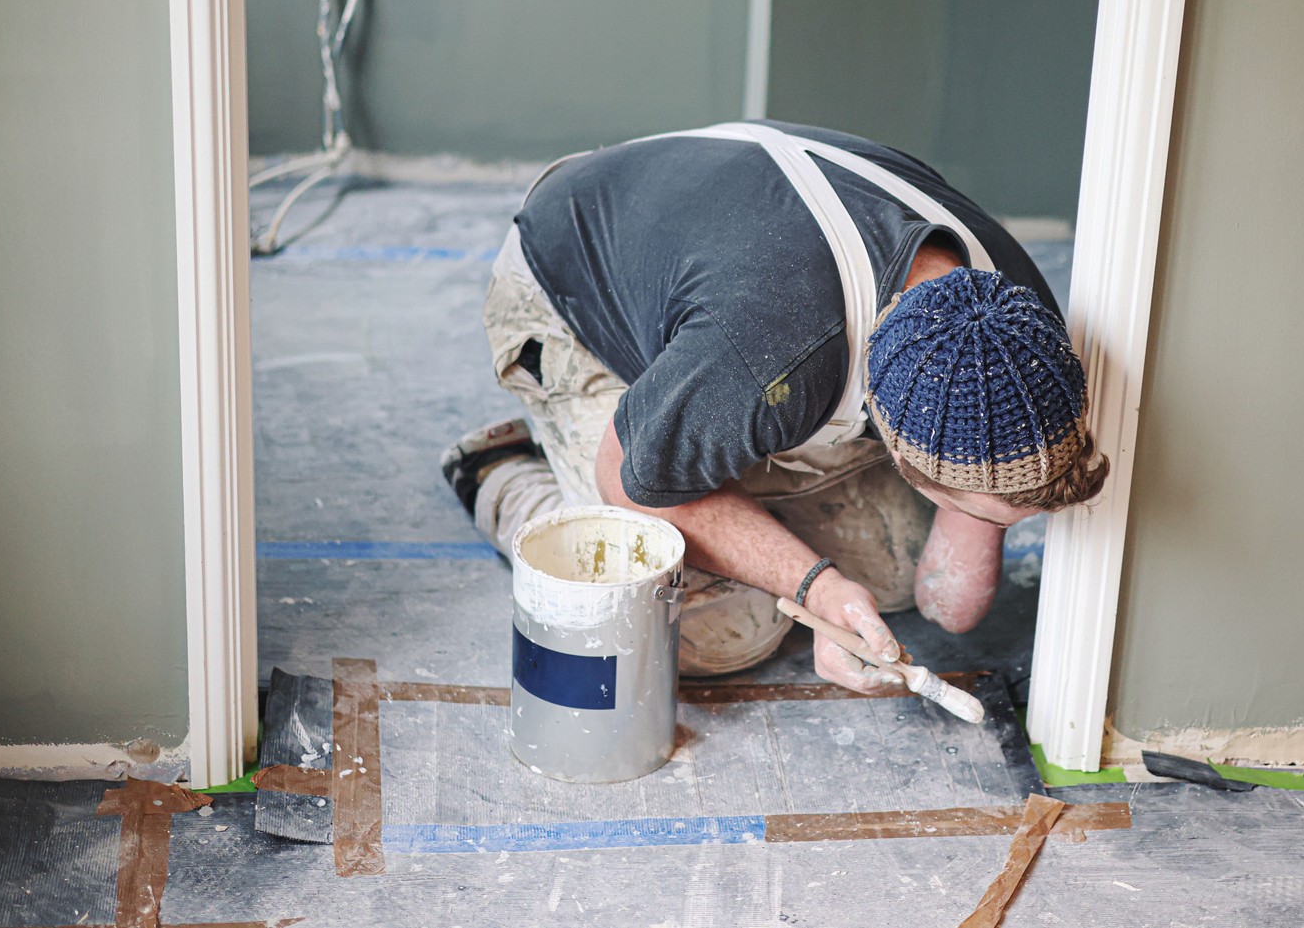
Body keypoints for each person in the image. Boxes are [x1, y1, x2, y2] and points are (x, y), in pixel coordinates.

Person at [442, 121, 1108, 694]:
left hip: (731, 252)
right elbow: (626, 475)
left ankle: (705, 440)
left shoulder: (1019, 320)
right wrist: (816, 584)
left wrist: (983, 510)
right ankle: (503, 469)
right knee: (713, 626)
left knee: (897, 567)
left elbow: (952, 598)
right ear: (898, 451)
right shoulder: (774, 351)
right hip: (571, 282)